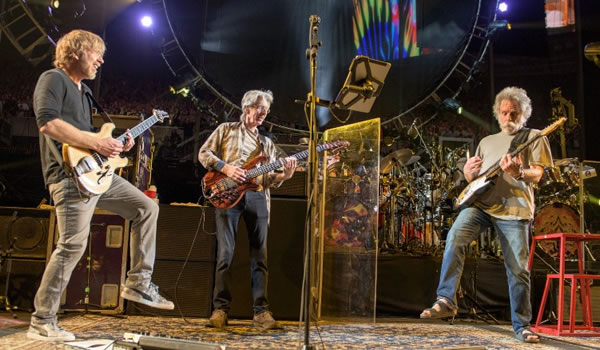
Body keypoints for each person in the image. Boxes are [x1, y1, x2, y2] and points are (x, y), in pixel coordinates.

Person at [29, 29, 174, 342]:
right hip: (69, 179)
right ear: (78, 51)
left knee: (146, 207)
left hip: (95, 175)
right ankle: (42, 320)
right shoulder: (53, 79)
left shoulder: (84, 93)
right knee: (71, 246)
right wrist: (97, 140)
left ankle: (138, 282)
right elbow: (48, 123)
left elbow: (88, 140)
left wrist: (114, 144)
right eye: (97, 53)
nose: (101, 60)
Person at [420, 87, 553, 344]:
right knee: (455, 237)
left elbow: (540, 173)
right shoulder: (487, 142)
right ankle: (446, 299)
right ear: (497, 114)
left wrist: (520, 173)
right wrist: (469, 175)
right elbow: (478, 181)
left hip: (515, 211)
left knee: (518, 270)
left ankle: (522, 326)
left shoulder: (535, 137)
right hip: (482, 206)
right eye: (503, 113)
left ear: (524, 114)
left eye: (514, 113)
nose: (508, 117)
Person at [198, 89, 296, 330]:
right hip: (227, 196)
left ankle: (261, 313)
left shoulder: (267, 143)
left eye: (266, 110)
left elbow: (271, 178)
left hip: (257, 198)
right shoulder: (225, 130)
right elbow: (204, 153)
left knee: (259, 257)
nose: (264, 113)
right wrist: (227, 168)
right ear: (247, 108)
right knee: (225, 255)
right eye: (260, 108)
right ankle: (220, 310)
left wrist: (286, 174)